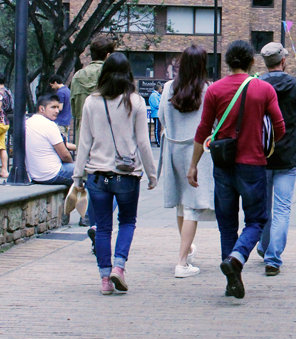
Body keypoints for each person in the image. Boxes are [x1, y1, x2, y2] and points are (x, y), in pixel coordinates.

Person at [188, 40, 285, 299]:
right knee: (257, 219)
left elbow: (203, 130)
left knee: (227, 223)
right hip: (253, 164)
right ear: (252, 62)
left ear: (227, 62)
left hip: (222, 164)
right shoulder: (264, 89)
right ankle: (238, 256)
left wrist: (193, 165)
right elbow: (280, 127)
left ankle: (232, 278)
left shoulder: (214, 90)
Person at [73, 53, 158, 296]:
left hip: (97, 175)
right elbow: (143, 142)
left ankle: (104, 280)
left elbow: (84, 141)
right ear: (128, 73)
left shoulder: (92, 101)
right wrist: (152, 174)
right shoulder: (135, 101)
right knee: (127, 222)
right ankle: (119, 267)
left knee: (102, 228)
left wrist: (78, 175)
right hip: (127, 174)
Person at [257, 42, 296, 277]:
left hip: (262, 154)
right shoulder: (295, 86)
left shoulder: (256, 85)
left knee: (263, 207)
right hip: (288, 155)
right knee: (282, 208)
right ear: (283, 61)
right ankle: (273, 258)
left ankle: (263, 247)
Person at [158, 46, 216, 279]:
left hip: (173, 149)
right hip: (197, 151)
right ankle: (182, 262)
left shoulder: (167, 88)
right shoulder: (207, 90)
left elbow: (162, 116)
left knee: (182, 204)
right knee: (192, 205)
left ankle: (187, 249)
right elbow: (214, 122)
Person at [68, 36, 115, 225]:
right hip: (108, 135)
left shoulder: (78, 76)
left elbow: (73, 109)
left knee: (89, 178)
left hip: (83, 133)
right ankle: (97, 219)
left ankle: (88, 213)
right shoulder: (112, 75)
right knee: (112, 183)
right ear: (108, 55)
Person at [25, 94, 76, 185]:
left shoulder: (28, 122)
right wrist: (72, 165)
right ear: (42, 109)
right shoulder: (49, 125)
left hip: (35, 175)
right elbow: (64, 155)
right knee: (92, 172)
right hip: (53, 173)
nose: (57, 111)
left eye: (57, 107)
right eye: (53, 107)